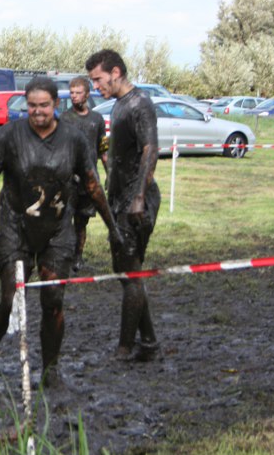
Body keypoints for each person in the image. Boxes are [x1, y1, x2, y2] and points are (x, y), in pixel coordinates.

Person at [0, 77, 122, 384]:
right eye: (32, 106)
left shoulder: (74, 139)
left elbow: (92, 185)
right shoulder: (9, 136)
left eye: (44, 105)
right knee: (11, 299)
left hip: (57, 230)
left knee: (53, 300)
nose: (38, 112)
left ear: (56, 104)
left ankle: (51, 369)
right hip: (16, 227)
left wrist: (112, 228)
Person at [85, 49, 161, 362]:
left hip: (137, 201)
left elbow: (150, 150)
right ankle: (149, 341)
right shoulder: (119, 105)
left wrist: (139, 198)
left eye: (98, 79)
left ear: (115, 72)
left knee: (130, 272)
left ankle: (125, 347)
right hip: (119, 200)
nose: (95, 87)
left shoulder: (140, 103)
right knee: (126, 271)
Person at [60, 76, 109, 273]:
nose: (74, 96)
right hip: (68, 180)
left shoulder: (97, 120)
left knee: (81, 222)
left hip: (89, 180)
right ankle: (62, 255)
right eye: (71, 93)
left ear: (87, 95)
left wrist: (110, 173)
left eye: (78, 93)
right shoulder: (64, 119)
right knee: (63, 220)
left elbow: (103, 149)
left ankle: (77, 256)